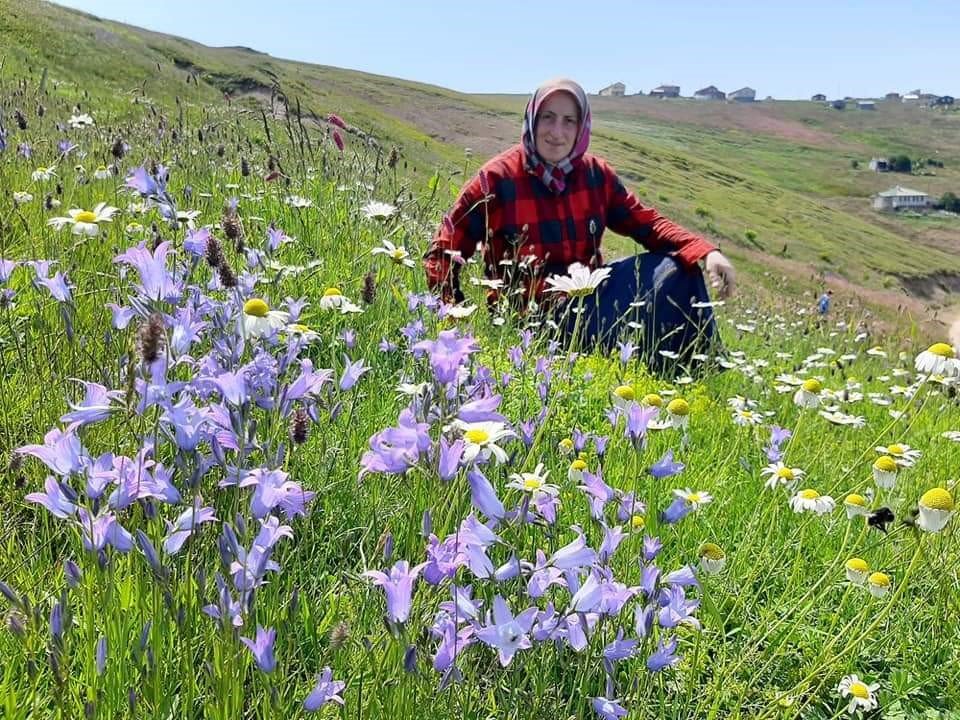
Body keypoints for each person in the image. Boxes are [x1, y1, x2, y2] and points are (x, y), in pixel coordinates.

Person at [423, 78, 735, 368]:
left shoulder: (596, 175)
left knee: (679, 266)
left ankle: (688, 372)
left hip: (590, 298)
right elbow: (443, 251)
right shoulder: (496, 179)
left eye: (568, 120)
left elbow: (646, 223)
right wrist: (454, 317)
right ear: (532, 119)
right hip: (531, 320)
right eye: (547, 117)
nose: (556, 132)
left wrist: (706, 252)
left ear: (581, 126)